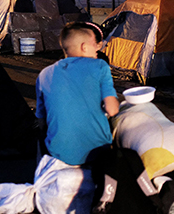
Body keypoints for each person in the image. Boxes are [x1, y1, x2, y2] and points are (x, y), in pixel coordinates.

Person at [35, 22, 119, 167]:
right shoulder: (100, 66)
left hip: (58, 154)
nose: (97, 49)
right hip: (97, 153)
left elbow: (41, 120)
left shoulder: (44, 74)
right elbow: (112, 109)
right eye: (95, 44)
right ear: (84, 47)